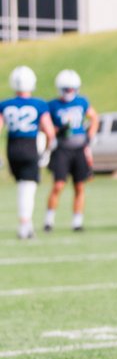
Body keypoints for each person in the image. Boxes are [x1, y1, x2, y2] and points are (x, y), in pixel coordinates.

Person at [1, 66, 56, 240]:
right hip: (29, 146)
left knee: (22, 185)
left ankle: (27, 224)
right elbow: (49, 131)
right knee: (28, 187)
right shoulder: (39, 104)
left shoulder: (5, 104)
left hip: (12, 147)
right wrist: (47, 151)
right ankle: (25, 226)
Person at [44, 69, 99, 233]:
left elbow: (94, 117)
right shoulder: (53, 105)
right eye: (67, 89)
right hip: (62, 149)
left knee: (79, 186)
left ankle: (77, 221)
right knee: (58, 185)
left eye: (72, 89)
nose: (70, 92)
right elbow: (46, 125)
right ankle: (49, 220)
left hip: (79, 148)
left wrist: (90, 137)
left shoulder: (82, 101)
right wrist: (56, 132)